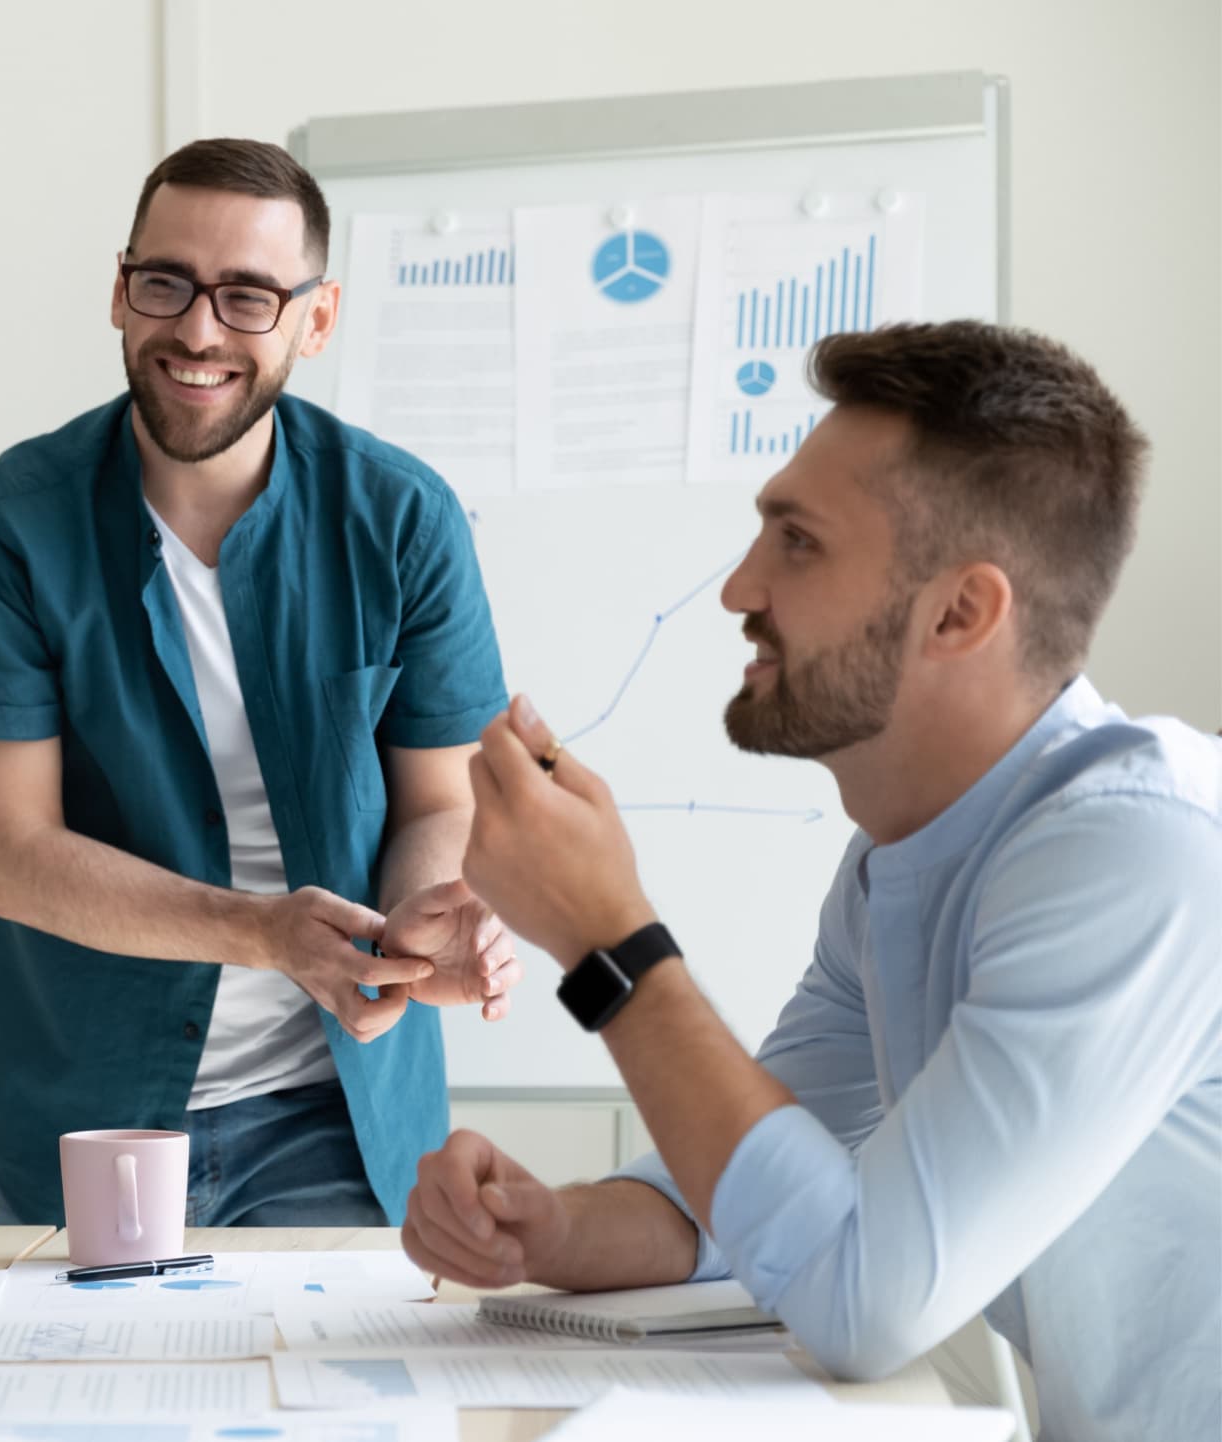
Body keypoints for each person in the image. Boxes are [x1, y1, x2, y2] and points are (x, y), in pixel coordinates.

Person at [409, 321, 1221, 1442]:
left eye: (795, 543)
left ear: (959, 612)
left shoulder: (1139, 851)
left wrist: (607, 937)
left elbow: (858, 1295)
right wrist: (553, 1229)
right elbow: (755, 1177)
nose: (738, 586)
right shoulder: (902, 857)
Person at [0, 139, 520, 1230]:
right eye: (164, 284)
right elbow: (14, 858)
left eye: (246, 296)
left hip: (335, 1109)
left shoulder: (402, 519)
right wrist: (265, 931)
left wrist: (415, 925)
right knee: (103, 1407)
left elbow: (440, 800)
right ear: (118, 290)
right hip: (90, 1118)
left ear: (313, 320)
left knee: (333, 1404)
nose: (196, 329)